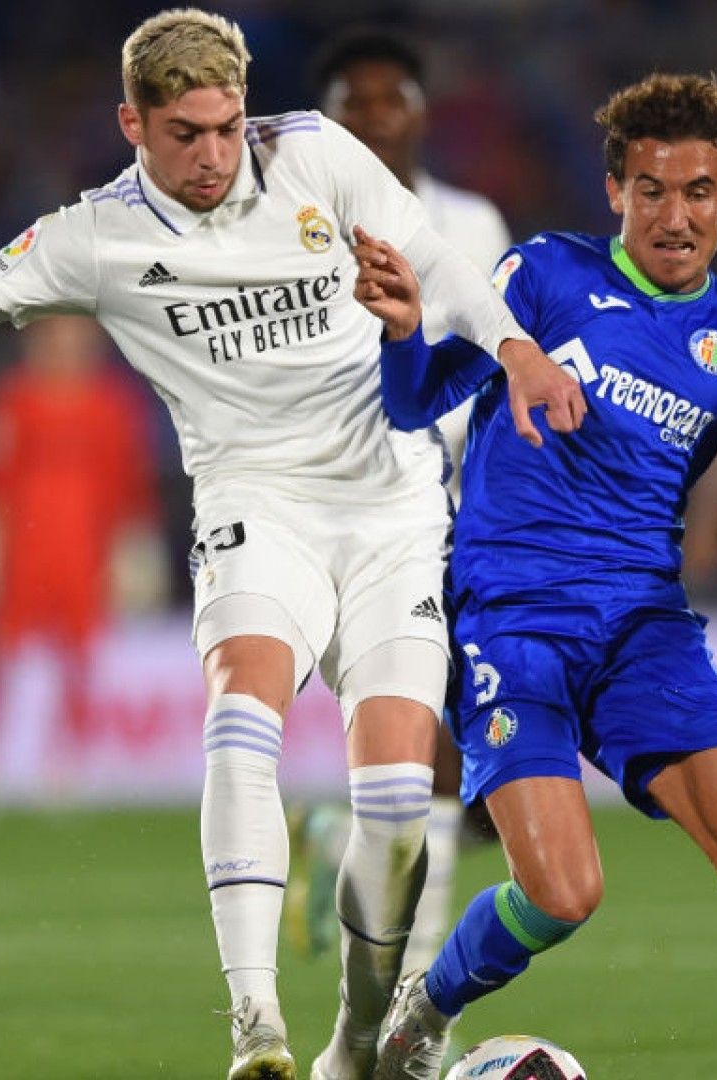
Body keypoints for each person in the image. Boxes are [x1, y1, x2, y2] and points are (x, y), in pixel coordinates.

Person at [0, 10, 585, 1080]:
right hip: (253, 507)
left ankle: (361, 1043)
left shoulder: (313, 151)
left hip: (392, 508)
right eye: (186, 133)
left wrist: (516, 354)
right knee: (240, 724)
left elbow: (447, 268)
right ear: (132, 122)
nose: (215, 154)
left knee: (401, 802)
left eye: (227, 127)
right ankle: (256, 1027)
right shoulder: (94, 237)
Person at [351, 74, 717, 1079]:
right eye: (652, 190)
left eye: (698, 191)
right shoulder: (543, 278)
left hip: (642, 627)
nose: (676, 215)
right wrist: (400, 334)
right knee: (562, 895)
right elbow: (416, 398)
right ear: (616, 191)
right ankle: (425, 1011)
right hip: (511, 619)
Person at [285, 27, 512, 982]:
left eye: (392, 101)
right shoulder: (290, 221)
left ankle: (355, 856)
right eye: (355, 101)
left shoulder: (472, 222)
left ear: (422, 114)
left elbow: (498, 350)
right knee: (432, 760)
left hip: (457, 504)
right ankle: (407, 990)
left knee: (481, 779)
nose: (374, 117)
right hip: (347, 504)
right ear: (327, 119)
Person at [0, 315, 165, 786]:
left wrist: (136, 546)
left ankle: (65, 764)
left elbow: (130, 484)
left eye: (76, 336)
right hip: (19, 551)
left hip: (83, 552)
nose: (66, 346)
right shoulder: (10, 400)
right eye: (56, 336)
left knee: (80, 660)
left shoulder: (114, 406)